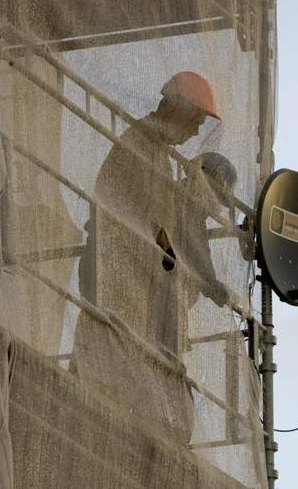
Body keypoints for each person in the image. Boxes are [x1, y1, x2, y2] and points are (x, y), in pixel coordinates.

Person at [73, 72, 236, 445]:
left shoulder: (154, 150)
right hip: (116, 266)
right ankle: (96, 407)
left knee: (117, 349)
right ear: (177, 109)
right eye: (194, 122)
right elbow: (140, 211)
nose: (195, 133)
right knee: (111, 345)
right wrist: (168, 254)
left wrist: (168, 254)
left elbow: (157, 220)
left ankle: (104, 406)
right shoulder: (143, 143)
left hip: (125, 270)